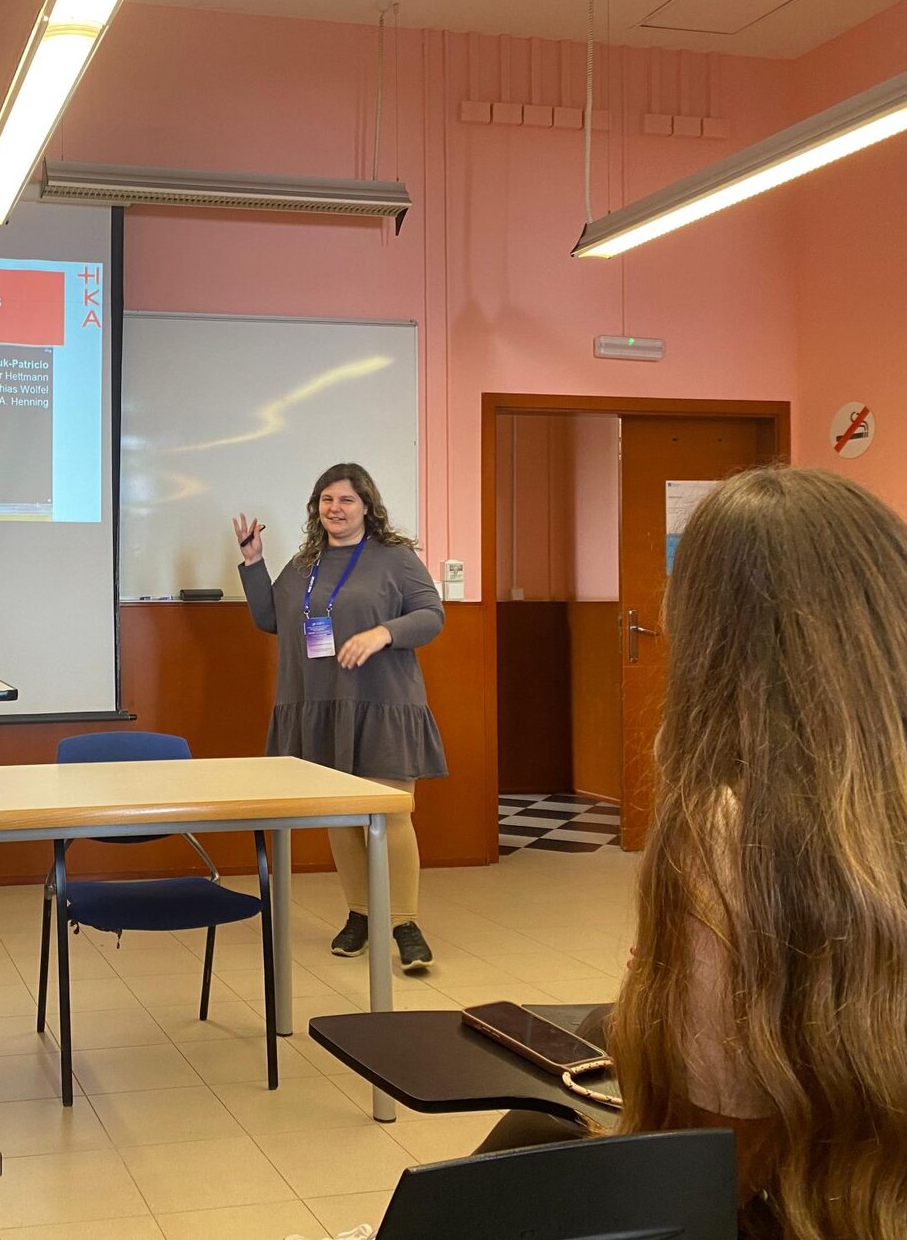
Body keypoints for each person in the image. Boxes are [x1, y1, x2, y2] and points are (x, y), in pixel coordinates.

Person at [476, 466, 907, 1240]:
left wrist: (658, 995)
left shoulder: (728, 829)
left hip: (799, 1204)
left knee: (521, 1145)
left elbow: (716, 1129)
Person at [235, 462, 447, 971]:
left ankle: (403, 922)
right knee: (341, 821)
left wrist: (383, 633)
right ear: (317, 508)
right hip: (320, 702)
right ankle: (359, 914)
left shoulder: (395, 558)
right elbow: (270, 619)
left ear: (367, 506)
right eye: (327, 500)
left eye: (346, 500)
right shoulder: (304, 561)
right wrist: (253, 564)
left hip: (382, 701)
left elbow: (431, 614)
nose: (335, 508)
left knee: (391, 812)